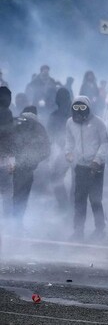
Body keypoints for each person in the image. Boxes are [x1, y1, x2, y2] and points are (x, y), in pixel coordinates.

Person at [65, 96, 108, 241]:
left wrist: (97, 160)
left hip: (95, 167)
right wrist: (69, 153)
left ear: (88, 108)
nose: (79, 111)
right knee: (79, 199)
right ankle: (78, 231)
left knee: (95, 199)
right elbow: (69, 140)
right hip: (80, 166)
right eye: (76, 108)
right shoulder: (70, 123)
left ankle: (100, 229)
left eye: (82, 107)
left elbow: (105, 142)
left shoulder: (98, 123)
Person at [12, 106, 50, 227]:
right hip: (27, 169)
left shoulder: (14, 123)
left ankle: (6, 225)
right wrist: (34, 161)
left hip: (10, 166)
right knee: (22, 197)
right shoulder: (39, 127)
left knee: (9, 195)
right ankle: (17, 224)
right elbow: (46, 150)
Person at [47, 88, 73, 212]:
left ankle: (65, 207)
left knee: (56, 177)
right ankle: (69, 206)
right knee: (76, 179)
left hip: (69, 151)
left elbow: (50, 134)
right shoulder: (75, 114)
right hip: (72, 151)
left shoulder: (56, 115)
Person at [0, 86, 15, 218]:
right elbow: (10, 136)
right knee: (6, 190)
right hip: (3, 157)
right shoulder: (6, 112)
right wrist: (11, 158)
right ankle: (7, 220)